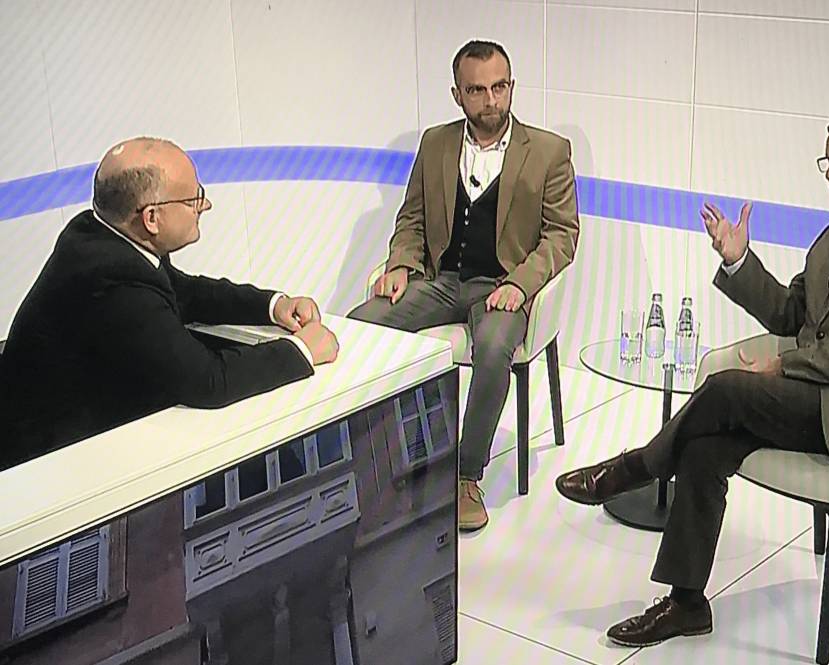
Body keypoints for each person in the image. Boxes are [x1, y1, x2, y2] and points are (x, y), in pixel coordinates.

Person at [555, 106, 829, 647]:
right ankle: (686, 604)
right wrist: (738, 260)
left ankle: (636, 467)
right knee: (706, 448)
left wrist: (787, 365)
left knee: (728, 388)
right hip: (813, 395)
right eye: (828, 162)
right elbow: (790, 316)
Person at [349, 40, 579, 531]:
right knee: (359, 327)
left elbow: (562, 236)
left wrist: (520, 284)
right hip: (441, 280)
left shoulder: (547, 151)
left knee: (495, 346)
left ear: (512, 86)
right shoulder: (435, 143)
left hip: (502, 286)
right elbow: (411, 218)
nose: (490, 100)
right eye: (477, 90)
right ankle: (371, 465)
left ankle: (464, 477)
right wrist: (400, 264)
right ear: (458, 94)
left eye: (499, 87)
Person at [0, 138, 339, 471]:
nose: (205, 206)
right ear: (152, 218)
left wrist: (271, 305)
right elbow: (208, 381)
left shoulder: (98, 232)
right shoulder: (112, 279)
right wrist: (301, 350)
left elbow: (183, 292)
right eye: (194, 198)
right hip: (49, 465)